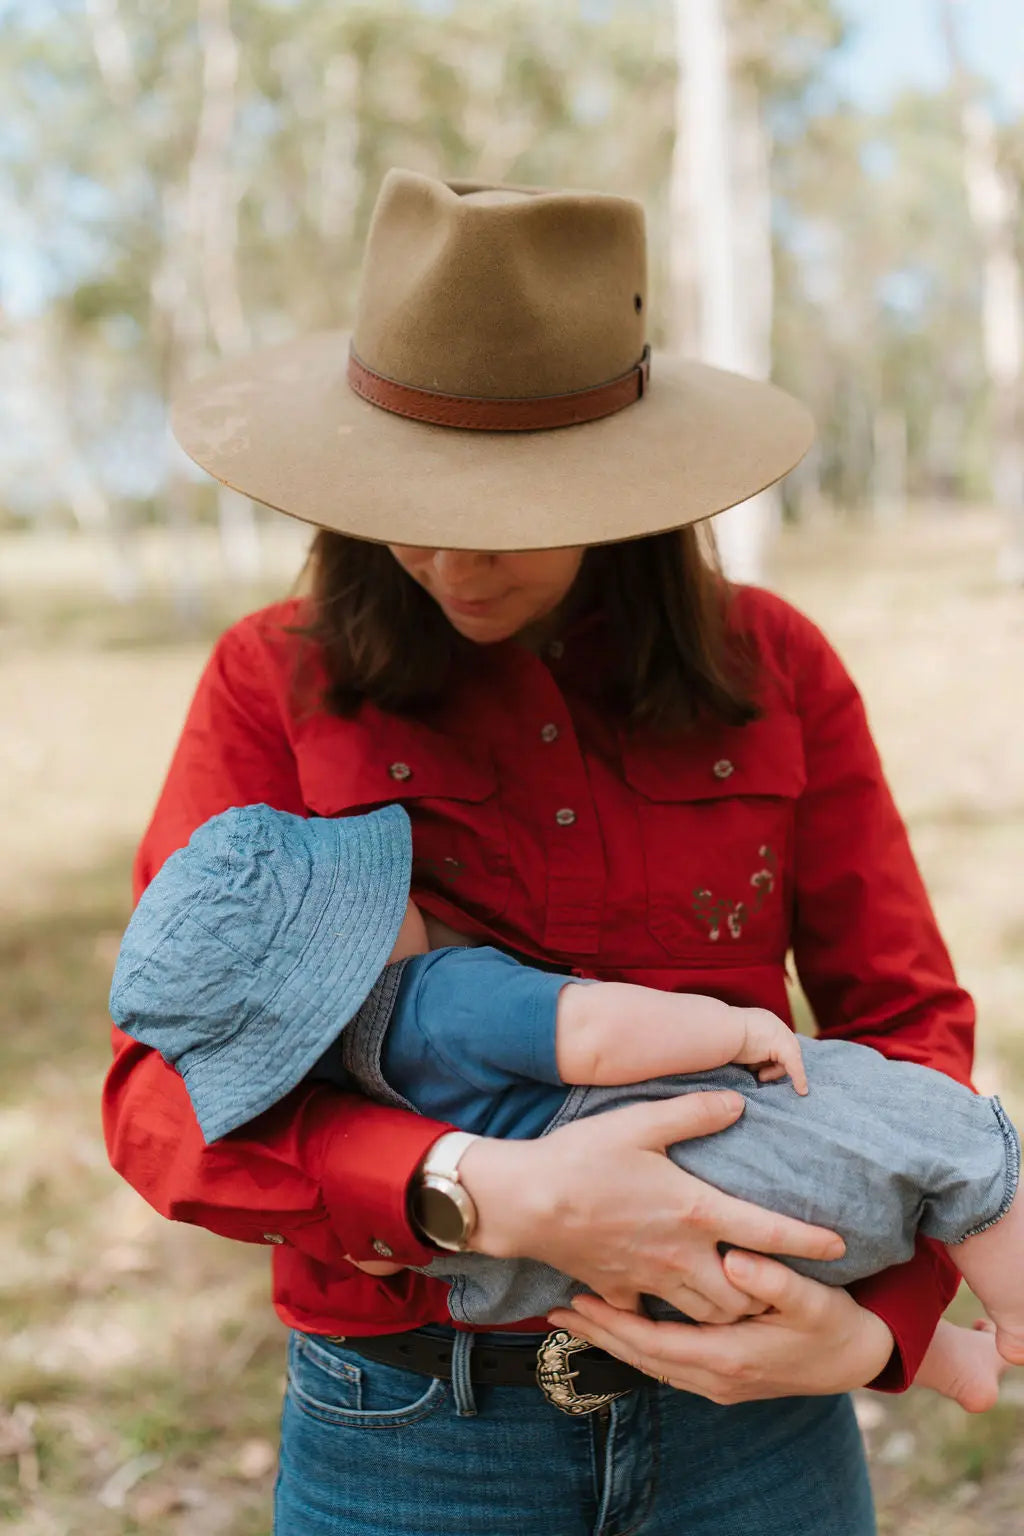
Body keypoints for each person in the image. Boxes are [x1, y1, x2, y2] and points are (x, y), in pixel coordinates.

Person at [103, 169, 980, 1536]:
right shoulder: (270, 684)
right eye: (409, 491)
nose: (451, 559)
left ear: (623, 476)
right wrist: (475, 1190)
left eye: (509, 500)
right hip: (408, 1434)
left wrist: (877, 1333)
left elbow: (908, 1030)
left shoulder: (780, 667)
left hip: (758, 1432)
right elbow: (160, 1095)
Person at [109, 799, 1022, 1420]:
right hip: (700, 1168)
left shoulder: (345, 1070)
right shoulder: (436, 993)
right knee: (941, 1133)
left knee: (720, 1294)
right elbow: (589, 1031)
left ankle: (946, 1358)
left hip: (530, 1284)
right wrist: (730, 1028)